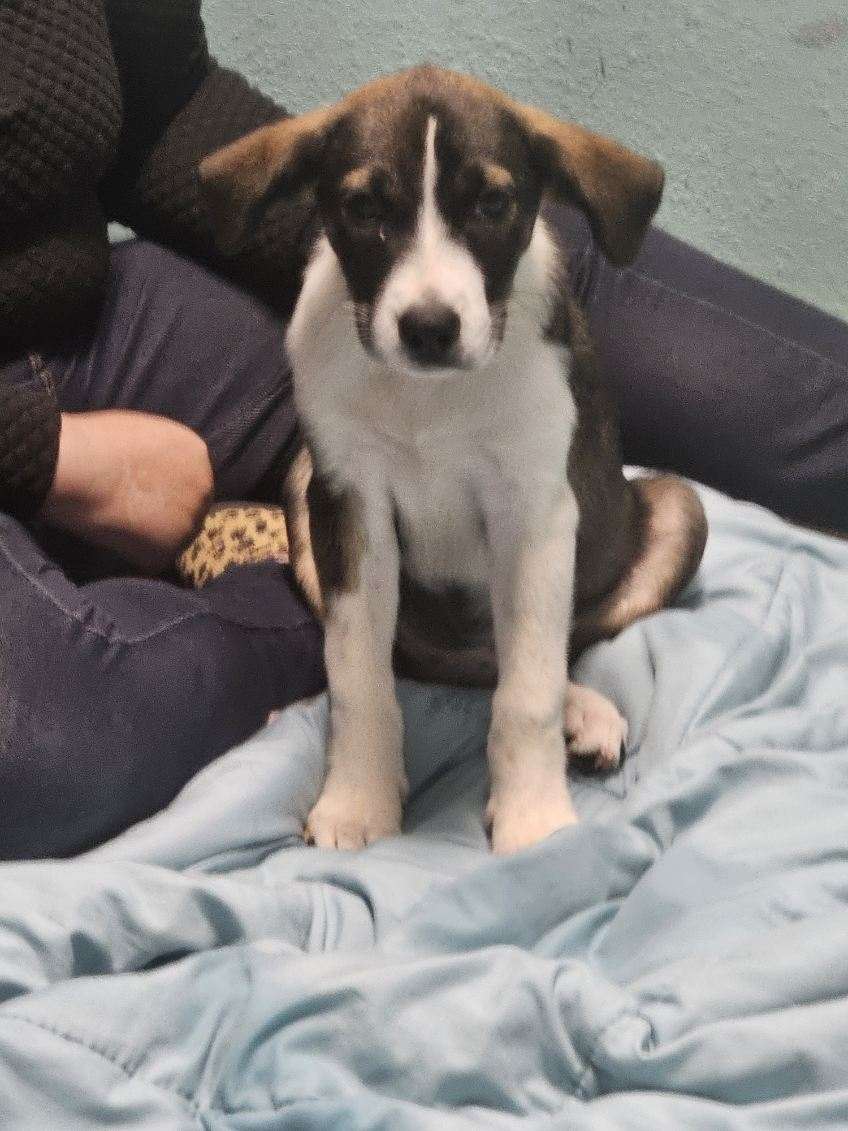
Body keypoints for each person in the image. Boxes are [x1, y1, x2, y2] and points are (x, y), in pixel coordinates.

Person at [2, 1, 846, 860]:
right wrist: (40, 452)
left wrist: (381, 200)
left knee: (541, 276)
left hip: (97, 314)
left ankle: (490, 647)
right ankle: (344, 644)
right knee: (40, 745)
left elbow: (167, 108)